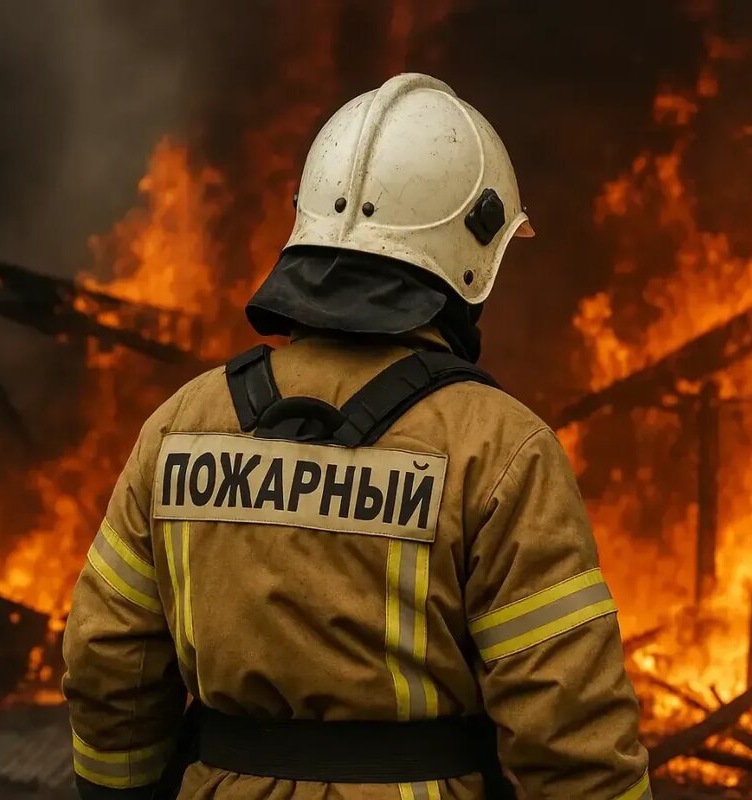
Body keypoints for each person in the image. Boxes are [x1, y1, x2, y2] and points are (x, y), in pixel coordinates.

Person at [62, 72, 652, 800]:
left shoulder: (181, 426)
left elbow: (107, 660)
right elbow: (569, 730)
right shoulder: (499, 450)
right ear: (474, 253)